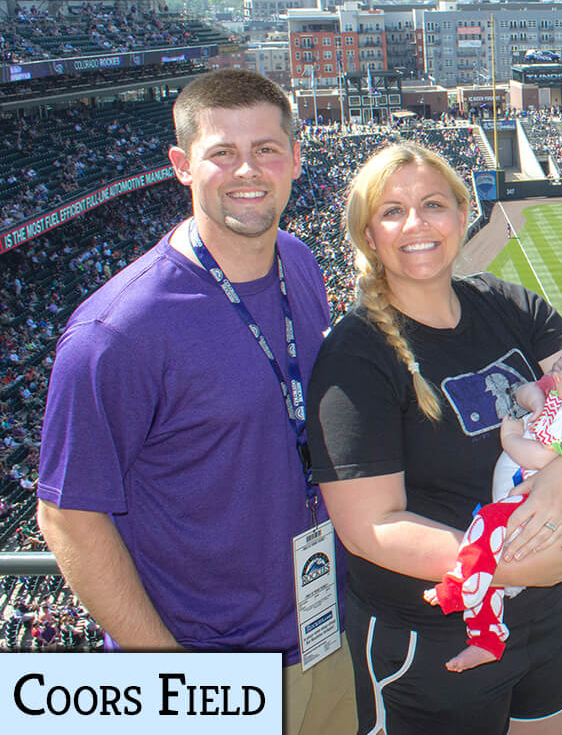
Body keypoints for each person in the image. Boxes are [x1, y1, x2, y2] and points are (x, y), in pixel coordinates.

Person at [36, 69, 355, 735]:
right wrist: (174, 682)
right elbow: (68, 518)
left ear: (296, 157)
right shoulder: (116, 332)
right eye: (222, 153)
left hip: (320, 638)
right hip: (205, 672)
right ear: (182, 166)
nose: (249, 170)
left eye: (267, 149)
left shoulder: (297, 261)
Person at [306, 142, 562, 735]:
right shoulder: (355, 354)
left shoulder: (508, 303)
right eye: (392, 211)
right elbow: (369, 528)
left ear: (463, 213)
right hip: (433, 636)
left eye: (433, 204)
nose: (416, 224)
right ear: (368, 234)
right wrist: (503, 571)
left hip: (548, 615)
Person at [426, 344, 562, 671]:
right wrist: (536, 398)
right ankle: (487, 639)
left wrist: (509, 439)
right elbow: (527, 391)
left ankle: (460, 587)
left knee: (485, 524)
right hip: (518, 501)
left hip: (530, 510)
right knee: (489, 566)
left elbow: (537, 457)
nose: (558, 376)